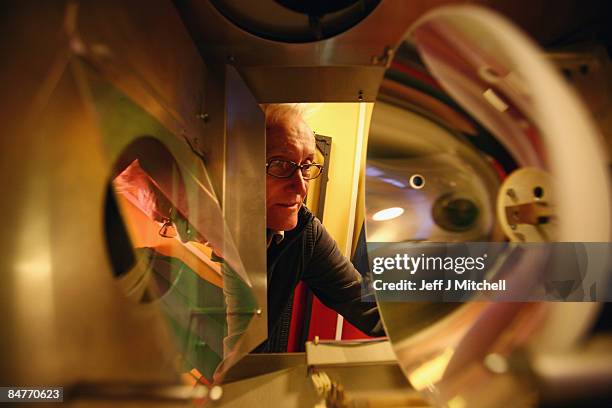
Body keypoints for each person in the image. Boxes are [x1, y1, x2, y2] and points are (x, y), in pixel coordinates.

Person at [257, 104, 384, 353]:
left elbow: (367, 304)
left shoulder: (305, 234)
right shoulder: (195, 224)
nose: (302, 187)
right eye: (281, 164)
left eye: (306, 166)